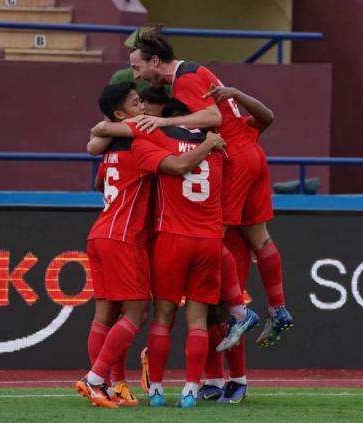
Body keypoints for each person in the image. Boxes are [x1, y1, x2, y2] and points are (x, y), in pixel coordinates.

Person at [129, 27, 292, 353]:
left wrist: (162, 123)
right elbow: (252, 115)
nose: (138, 75)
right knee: (259, 238)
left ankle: (239, 312)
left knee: (209, 236)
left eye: (137, 67)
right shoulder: (197, 69)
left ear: (156, 61)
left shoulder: (185, 79)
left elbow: (212, 115)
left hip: (234, 157)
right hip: (252, 151)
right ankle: (278, 308)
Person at [92, 98, 227, 409]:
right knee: (198, 320)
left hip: (171, 238)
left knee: (162, 318)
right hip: (209, 240)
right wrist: (209, 142)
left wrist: (104, 130)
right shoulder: (219, 143)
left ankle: (155, 390)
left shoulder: (159, 137)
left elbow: (100, 140)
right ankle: (192, 388)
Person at [198, 84, 277, 404]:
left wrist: (237, 95)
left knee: (231, 312)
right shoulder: (189, 142)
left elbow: (266, 116)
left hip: (229, 239)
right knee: (202, 311)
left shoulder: (239, 135)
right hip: (203, 233)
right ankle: (213, 380)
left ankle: (238, 380)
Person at [75, 82, 152, 409]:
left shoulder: (110, 148)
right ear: (121, 113)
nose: (144, 108)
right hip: (122, 236)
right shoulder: (141, 142)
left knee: (105, 315)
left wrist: (103, 130)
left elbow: (95, 163)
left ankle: (110, 386)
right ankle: (95, 380)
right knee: (138, 312)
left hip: (100, 233)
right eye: (137, 103)